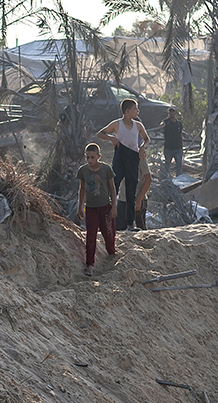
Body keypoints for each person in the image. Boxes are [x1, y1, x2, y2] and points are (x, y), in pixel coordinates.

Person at [96, 99, 150, 232]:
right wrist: (112, 139)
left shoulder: (138, 125)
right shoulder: (117, 124)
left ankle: (130, 224)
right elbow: (100, 133)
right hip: (120, 155)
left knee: (131, 190)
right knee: (113, 186)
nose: (137, 111)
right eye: (135, 109)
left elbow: (147, 139)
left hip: (133, 157)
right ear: (127, 111)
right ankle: (105, 220)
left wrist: (143, 147)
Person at [76, 143, 117, 276]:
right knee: (90, 236)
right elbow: (82, 189)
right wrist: (80, 206)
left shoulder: (106, 169)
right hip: (91, 208)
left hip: (105, 207)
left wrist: (114, 207)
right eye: (87, 157)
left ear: (98, 157)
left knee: (108, 234)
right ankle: (90, 264)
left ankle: (111, 253)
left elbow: (112, 188)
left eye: (92, 157)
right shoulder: (83, 171)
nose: (89, 160)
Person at [161, 107, 185, 178]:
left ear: (176, 113)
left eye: (173, 111)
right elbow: (162, 124)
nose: (172, 113)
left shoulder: (179, 123)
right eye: (170, 111)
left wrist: (181, 147)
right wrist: (163, 126)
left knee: (179, 164)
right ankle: (166, 178)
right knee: (167, 163)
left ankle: (178, 178)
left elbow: (180, 134)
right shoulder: (166, 121)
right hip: (168, 148)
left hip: (177, 147)